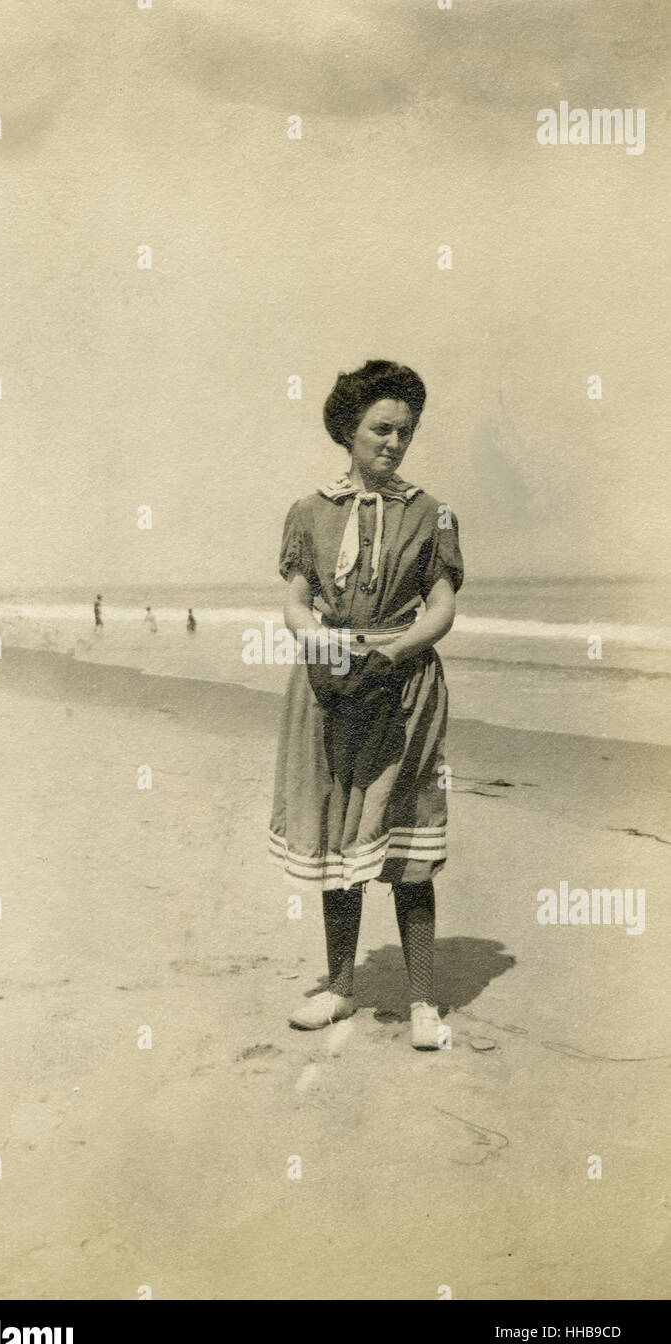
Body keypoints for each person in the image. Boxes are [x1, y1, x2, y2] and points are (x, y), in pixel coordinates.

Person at [269, 360, 464, 1050]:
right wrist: (322, 646)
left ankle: (419, 1001)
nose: (393, 443)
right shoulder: (308, 511)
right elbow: (295, 600)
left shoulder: (430, 512)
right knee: (339, 838)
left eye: (404, 432)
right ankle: (340, 987)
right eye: (380, 428)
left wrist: (392, 652)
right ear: (347, 430)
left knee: (408, 847)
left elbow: (440, 607)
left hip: (404, 687)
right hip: (330, 685)